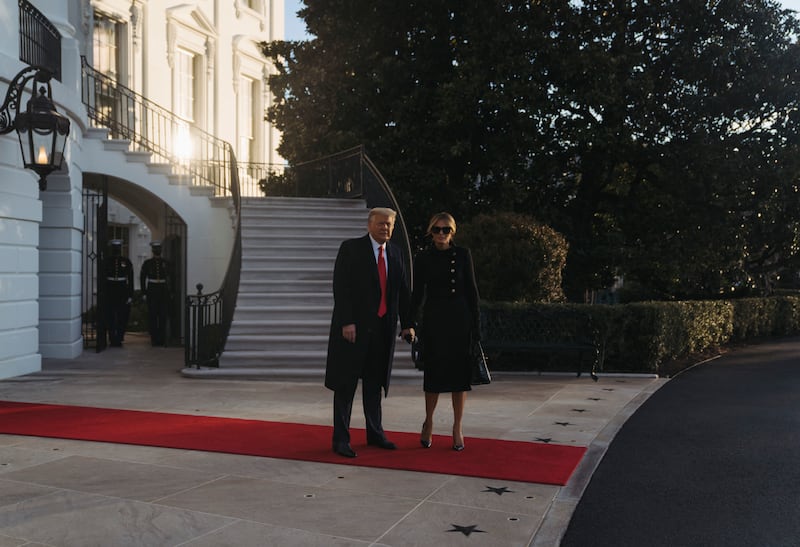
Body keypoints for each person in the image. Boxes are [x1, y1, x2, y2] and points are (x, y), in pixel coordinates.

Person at [325, 207, 415, 458]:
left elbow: (403, 292)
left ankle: (375, 433)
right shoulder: (351, 249)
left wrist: (408, 323)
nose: (385, 228)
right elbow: (341, 287)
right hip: (353, 330)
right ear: (369, 225)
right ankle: (341, 439)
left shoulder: (395, 253)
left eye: (389, 225)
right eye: (380, 224)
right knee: (346, 384)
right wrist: (347, 322)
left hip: (383, 331)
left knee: (374, 386)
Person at [411, 212, 481, 451]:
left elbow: (472, 291)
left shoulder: (463, 255)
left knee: (459, 379)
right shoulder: (423, 258)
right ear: (431, 231)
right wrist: (410, 323)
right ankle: (428, 421)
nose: (442, 234)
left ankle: (457, 427)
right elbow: (417, 293)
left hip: (460, 321)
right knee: (434, 376)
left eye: (446, 230)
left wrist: (476, 326)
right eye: (437, 229)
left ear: (453, 232)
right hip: (434, 322)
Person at [140, 240, 172, 347]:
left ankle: (161, 339)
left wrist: (170, 291)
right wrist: (144, 292)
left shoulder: (166, 262)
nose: (157, 251)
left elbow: (171, 277)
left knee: (162, 316)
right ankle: (154, 339)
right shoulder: (147, 263)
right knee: (152, 316)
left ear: (161, 250)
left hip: (163, 290)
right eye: (155, 249)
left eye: (159, 249)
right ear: (153, 250)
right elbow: (142, 278)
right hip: (152, 290)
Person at [105, 239, 134, 347]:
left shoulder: (126, 261)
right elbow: (103, 278)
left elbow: (130, 279)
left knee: (122, 315)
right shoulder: (107, 261)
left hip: (122, 290)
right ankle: (112, 338)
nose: (116, 249)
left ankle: (120, 337)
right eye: (114, 248)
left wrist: (130, 295)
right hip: (110, 289)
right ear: (112, 249)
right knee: (110, 316)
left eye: (118, 247)